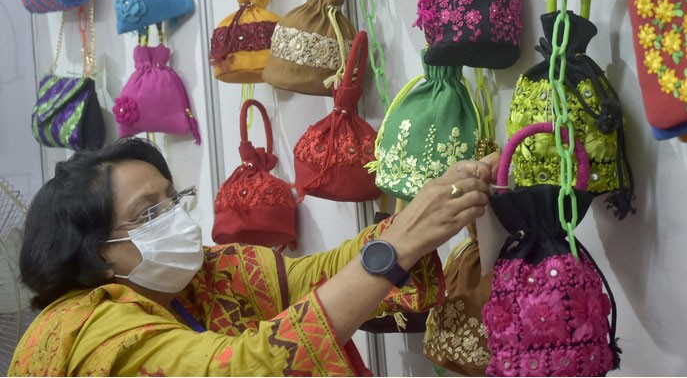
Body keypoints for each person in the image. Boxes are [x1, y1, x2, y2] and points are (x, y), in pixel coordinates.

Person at [10, 137, 498, 376]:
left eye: (173, 198)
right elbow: (241, 368)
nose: (178, 218)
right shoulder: (90, 336)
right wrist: (399, 245)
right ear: (99, 255)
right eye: (150, 211)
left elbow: (319, 277)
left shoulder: (197, 277)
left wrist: (435, 209)